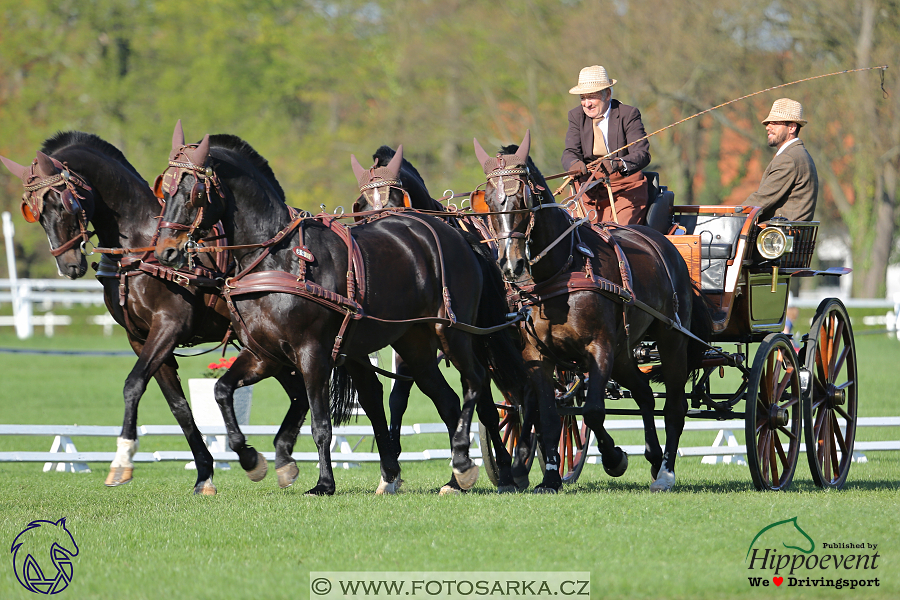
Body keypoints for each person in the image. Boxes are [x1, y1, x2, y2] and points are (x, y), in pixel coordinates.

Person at [562, 65, 651, 224]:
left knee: (617, 235)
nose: (587, 104)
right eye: (583, 98)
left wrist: (618, 164)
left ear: (608, 94)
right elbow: (570, 152)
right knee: (573, 233)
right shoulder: (575, 116)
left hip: (626, 190)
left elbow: (642, 154)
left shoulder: (628, 114)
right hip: (588, 190)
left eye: (592, 97)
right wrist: (573, 164)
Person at [742, 98, 818, 221]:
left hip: (779, 232)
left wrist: (728, 216)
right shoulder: (797, 154)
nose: (768, 127)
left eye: (775, 123)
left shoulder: (788, 158)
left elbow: (761, 200)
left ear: (792, 128)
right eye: (768, 123)